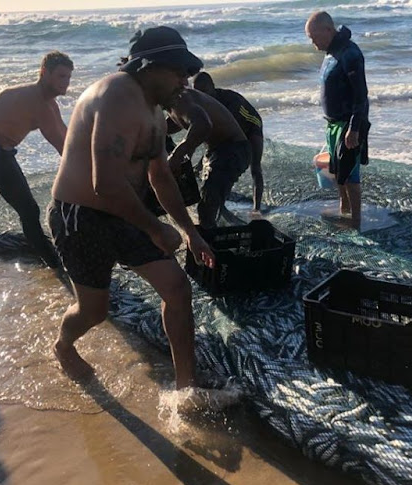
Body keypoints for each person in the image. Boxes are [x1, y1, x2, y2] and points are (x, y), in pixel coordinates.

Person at [47, 27, 215, 388]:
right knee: (93, 312)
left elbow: (161, 177)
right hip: (80, 216)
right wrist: (156, 228)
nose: (185, 81)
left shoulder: (154, 111)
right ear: (149, 67)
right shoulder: (117, 94)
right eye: (178, 72)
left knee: (177, 288)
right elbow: (104, 183)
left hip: (125, 211)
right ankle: (62, 345)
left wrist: (190, 231)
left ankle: (186, 388)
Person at [0, 51, 74, 267]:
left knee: (27, 209)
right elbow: (60, 145)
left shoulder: (48, 102)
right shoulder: (37, 102)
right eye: (62, 76)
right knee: (29, 209)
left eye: (69, 77)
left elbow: (67, 134)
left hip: (0, 150)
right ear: (44, 73)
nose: (67, 83)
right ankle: (54, 262)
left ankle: (42, 249)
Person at [305, 11, 369, 230]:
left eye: (314, 37)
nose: (312, 43)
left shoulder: (350, 54)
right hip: (333, 124)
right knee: (338, 171)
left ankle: (356, 221)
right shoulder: (331, 51)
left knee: (350, 174)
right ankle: (344, 208)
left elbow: (361, 95)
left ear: (328, 30)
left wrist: (354, 128)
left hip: (348, 124)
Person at [165, 84, 251, 229]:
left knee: (207, 206)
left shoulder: (180, 98)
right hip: (216, 151)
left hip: (232, 150)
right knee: (209, 200)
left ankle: (209, 246)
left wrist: (176, 155)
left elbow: (203, 125)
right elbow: (178, 121)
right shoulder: (170, 103)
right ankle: (219, 226)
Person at [192, 71, 265, 214]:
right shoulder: (199, 101)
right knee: (203, 166)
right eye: (197, 92)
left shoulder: (231, 101)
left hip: (251, 126)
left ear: (213, 87)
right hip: (229, 131)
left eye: (205, 91)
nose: (202, 96)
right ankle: (213, 200)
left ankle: (257, 209)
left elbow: (227, 137)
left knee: (255, 167)